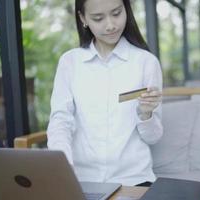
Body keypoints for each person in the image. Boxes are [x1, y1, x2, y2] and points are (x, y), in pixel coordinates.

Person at [47, 0, 163, 187]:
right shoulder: (70, 62)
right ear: (83, 18)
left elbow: (153, 137)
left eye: (116, 13)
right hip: (81, 180)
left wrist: (146, 113)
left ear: (126, 10)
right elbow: (60, 121)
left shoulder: (146, 62)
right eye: (98, 18)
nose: (110, 25)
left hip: (134, 181)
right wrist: (64, 167)